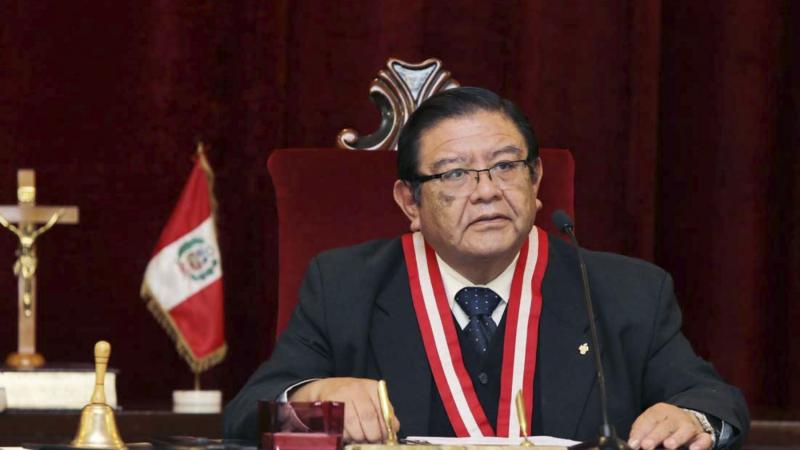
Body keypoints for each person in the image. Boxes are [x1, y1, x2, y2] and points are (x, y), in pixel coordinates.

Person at [224, 87, 749, 449]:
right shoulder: (344, 287)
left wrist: (690, 419)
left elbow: (713, 400)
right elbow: (248, 418)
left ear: (535, 180)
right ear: (409, 202)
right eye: (455, 174)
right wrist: (313, 401)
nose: (487, 191)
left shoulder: (625, 291)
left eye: (505, 166)